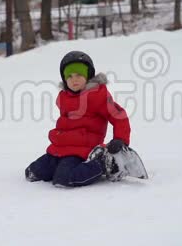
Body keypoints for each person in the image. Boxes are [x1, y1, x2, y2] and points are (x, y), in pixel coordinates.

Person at [25, 51, 132, 187]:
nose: (74, 79)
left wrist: (120, 139)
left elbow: (119, 115)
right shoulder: (64, 97)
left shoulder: (97, 96)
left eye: (79, 75)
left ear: (88, 76)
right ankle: (58, 167)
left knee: (64, 178)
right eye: (69, 76)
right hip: (59, 148)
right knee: (32, 172)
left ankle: (104, 163)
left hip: (82, 150)